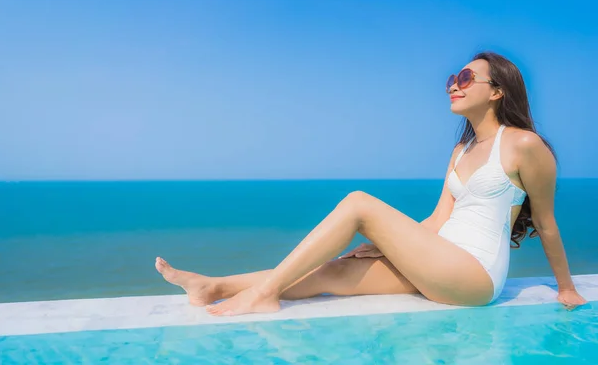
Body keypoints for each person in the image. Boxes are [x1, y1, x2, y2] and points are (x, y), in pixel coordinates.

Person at [155, 51, 587, 316]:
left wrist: (565, 289)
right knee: (337, 269)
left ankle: (265, 294)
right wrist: (389, 242)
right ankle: (214, 286)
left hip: (474, 277)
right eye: (453, 79)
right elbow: (439, 218)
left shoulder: (525, 145)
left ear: (498, 92)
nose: (454, 86)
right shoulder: (461, 151)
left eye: (466, 79)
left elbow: (546, 223)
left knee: (359, 203)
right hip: (439, 263)